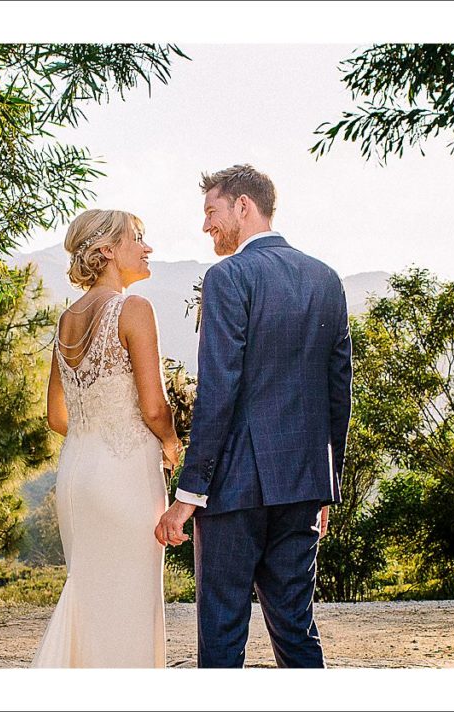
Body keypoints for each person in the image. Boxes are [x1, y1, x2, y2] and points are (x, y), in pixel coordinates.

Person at [155, 164, 353, 668]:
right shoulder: (325, 278)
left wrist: (188, 494)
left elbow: (219, 391)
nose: (206, 227)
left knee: (221, 636)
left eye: (211, 212)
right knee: (295, 628)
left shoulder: (227, 277)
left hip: (234, 490)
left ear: (243, 206)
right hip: (303, 487)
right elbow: (338, 394)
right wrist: (326, 485)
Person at [32, 208, 182, 668]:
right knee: (129, 606)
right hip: (125, 477)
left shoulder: (66, 320)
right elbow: (154, 408)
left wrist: (96, 427)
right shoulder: (134, 310)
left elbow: (57, 416)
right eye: (138, 237)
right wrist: (173, 443)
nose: (148, 246)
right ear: (107, 251)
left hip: (77, 473)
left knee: (91, 599)